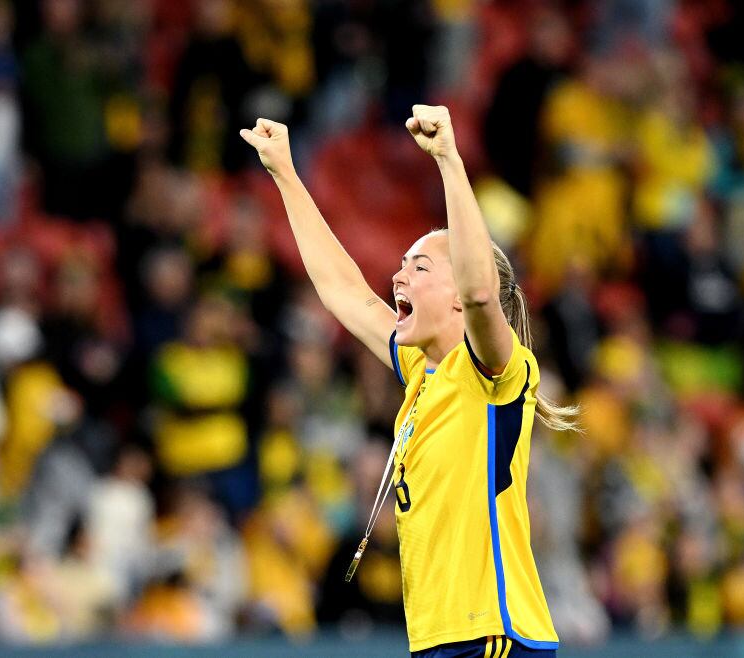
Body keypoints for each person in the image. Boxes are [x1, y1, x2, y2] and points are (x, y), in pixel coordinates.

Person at [241, 105, 576, 657]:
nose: (398, 275)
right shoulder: (422, 373)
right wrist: (285, 173)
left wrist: (448, 159)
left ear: (455, 296)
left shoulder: (495, 373)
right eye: (402, 262)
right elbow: (343, 291)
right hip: (439, 642)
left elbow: (482, 294)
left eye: (420, 268)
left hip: (492, 637)